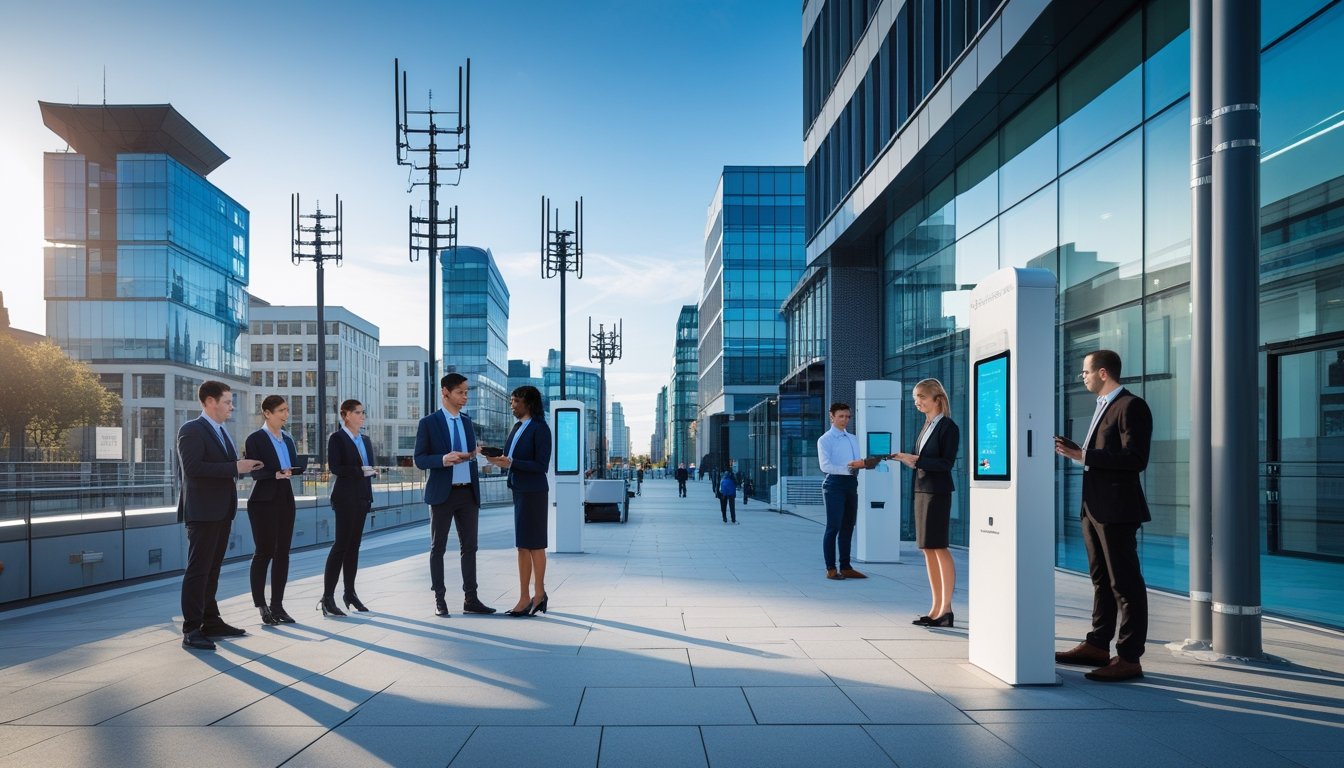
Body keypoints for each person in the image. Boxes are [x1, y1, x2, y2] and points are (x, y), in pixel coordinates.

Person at [1054, 349, 1153, 683]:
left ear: (1104, 373)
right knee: (1100, 580)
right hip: (1094, 507)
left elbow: (1135, 459)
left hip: (1117, 509)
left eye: (1085, 372)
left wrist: (1084, 455)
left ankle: (1128, 657)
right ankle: (1097, 644)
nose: (1082, 377)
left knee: (1125, 584)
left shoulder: (1130, 406)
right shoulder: (1101, 407)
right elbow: (1099, 456)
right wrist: (1078, 453)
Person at [177, 380, 263, 651]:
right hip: (202, 511)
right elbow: (193, 468)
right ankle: (191, 628)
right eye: (227, 401)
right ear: (210, 402)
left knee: (212, 570)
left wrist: (241, 466)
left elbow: (223, 466)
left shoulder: (223, 431)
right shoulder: (191, 430)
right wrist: (236, 466)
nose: (231, 406)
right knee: (198, 570)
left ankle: (210, 620)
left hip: (221, 509)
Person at [413, 373, 496, 617]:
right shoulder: (429, 423)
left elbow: (469, 454)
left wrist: (475, 455)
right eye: (460, 392)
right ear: (445, 392)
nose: (465, 397)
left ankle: (471, 599)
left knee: (470, 547)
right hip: (442, 494)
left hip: (468, 493)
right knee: (437, 547)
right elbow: (419, 459)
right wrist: (442, 459)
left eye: (466, 392)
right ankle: (440, 598)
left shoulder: (467, 421)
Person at [892, 378, 960, 628]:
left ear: (937, 399)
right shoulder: (927, 426)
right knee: (927, 549)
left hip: (937, 493)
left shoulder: (948, 428)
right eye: (915, 398)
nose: (917, 402)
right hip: (922, 490)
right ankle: (935, 608)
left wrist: (917, 460)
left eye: (921, 396)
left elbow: (945, 464)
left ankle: (946, 609)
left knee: (939, 547)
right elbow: (923, 460)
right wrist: (908, 459)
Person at [486, 385, 553, 617]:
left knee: (535, 544)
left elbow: (540, 466)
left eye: (515, 401)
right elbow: (509, 456)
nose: (512, 405)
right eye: (511, 401)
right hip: (519, 489)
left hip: (534, 491)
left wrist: (512, 463)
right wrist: (490, 455)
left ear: (529, 403)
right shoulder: (517, 427)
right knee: (522, 545)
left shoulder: (540, 429)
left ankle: (538, 593)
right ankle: (525, 596)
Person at [244, 395, 301, 626]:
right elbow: (254, 472)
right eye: (281, 411)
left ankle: (277, 605)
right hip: (262, 500)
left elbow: (294, 465)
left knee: (283, 553)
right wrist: (275, 473)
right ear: (267, 413)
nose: (285, 414)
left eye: (287, 410)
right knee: (264, 552)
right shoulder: (255, 439)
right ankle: (262, 605)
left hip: (285, 498)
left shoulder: (287, 439)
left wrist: (293, 470)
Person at [320, 399, 377, 617]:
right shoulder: (337, 438)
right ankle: (327, 598)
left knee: (354, 546)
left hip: (362, 497)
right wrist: (360, 471)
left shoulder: (365, 439)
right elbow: (336, 467)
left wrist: (370, 472)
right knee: (341, 546)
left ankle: (350, 593)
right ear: (346, 415)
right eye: (358, 413)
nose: (362, 416)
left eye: (363, 412)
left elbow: (368, 466)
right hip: (345, 498)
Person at [817, 402, 875, 580]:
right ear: (832, 416)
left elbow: (856, 461)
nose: (845, 420)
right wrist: (851, 467)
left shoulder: (853, 438)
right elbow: (825, 466)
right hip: (834, 484)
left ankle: (846, 566)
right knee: (833, 526)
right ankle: (831, 568)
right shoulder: (825, 439)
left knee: (848, 526)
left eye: (847, 416)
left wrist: (864, 464)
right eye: (841, 416)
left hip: (851, 483)